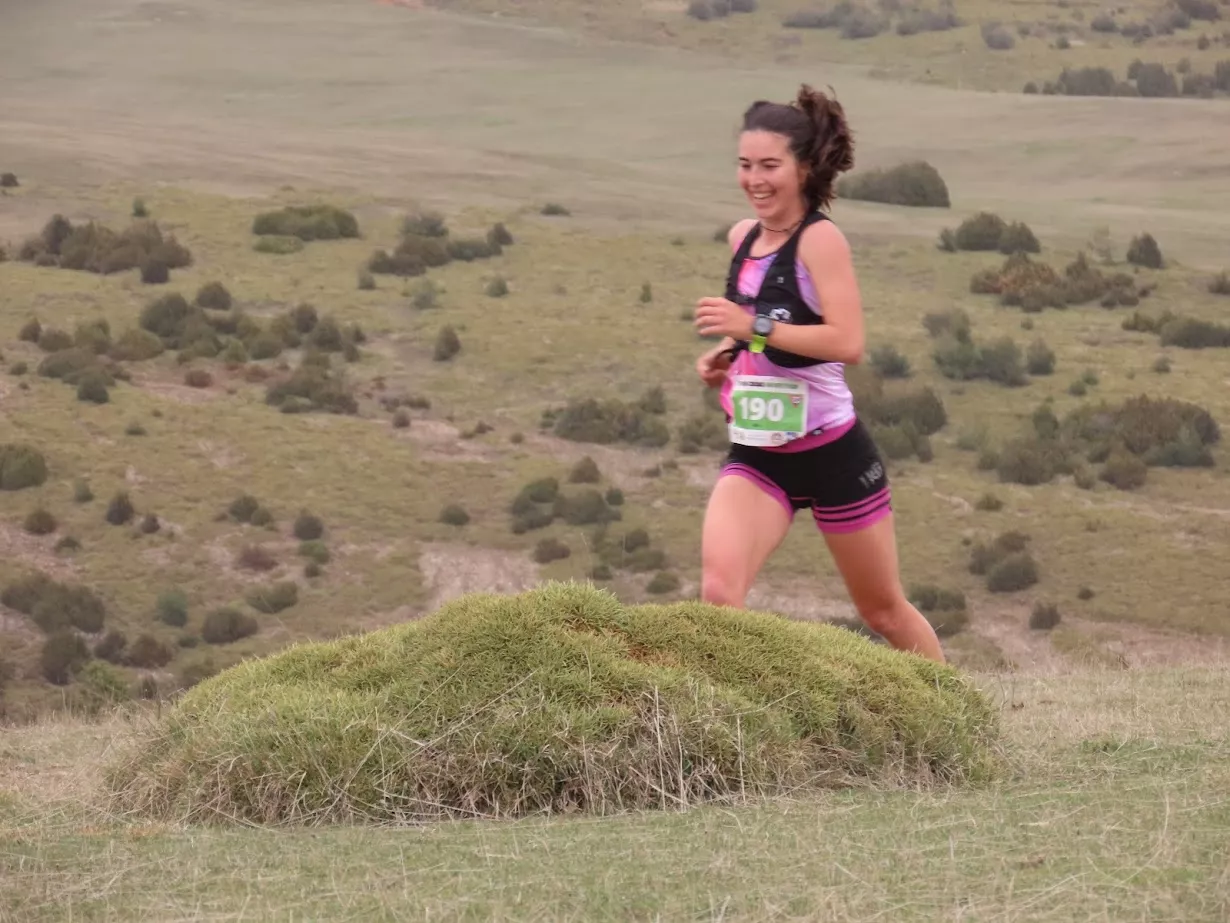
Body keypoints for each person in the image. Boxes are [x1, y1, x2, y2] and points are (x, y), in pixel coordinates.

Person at [692, 83, 945, 664]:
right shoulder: (742, 238)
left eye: (769, 166)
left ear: (803, 168)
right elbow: (765, 323)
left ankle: (957, 719)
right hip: (758, 452)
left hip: (833, 453)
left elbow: (847, 342)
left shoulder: (821, 241)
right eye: (744, 165)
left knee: (882, 611)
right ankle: (743, 730)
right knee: (718, 596)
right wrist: (728, 357)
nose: (755, 179)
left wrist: (750, 328)